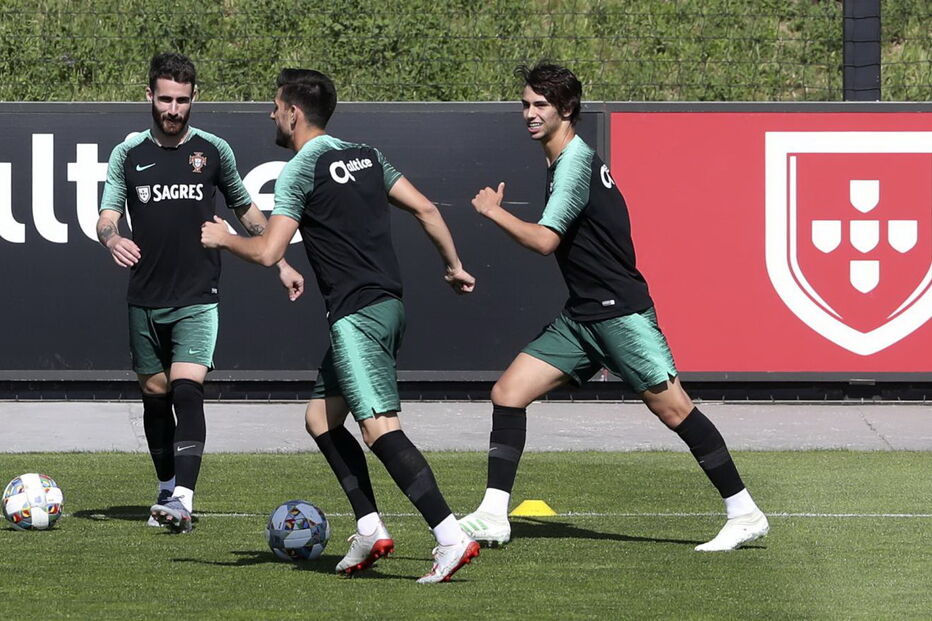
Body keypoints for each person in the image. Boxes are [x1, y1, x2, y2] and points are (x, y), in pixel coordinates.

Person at [460, 62, 768, 552]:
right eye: (525, 104)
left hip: (619, 313)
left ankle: (744, 512)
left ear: (567, 110)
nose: (530, 114)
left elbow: (545, 241)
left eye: (541, 105)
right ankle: (494, 514)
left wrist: (494, 213)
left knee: (675, 410)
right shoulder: (565, 160)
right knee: (509, 392)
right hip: (582, 316)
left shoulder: (575, 163)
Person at [200, 68, 480, 582]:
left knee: (379, 429)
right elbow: (426, 208)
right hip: (388, 307)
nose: (271, 113)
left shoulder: (299, 171)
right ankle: (371, 528)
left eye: (275, 105)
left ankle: (449, 535)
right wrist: (452, 265)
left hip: (356, 317)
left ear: (294, 113)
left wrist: (222, 240)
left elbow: (267, 251)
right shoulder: (368, 155)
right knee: (320, 419)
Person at [96, 52, 304, 534]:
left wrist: (281, 263)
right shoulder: (128, 154)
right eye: (165, 99)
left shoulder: (214, 151)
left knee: (188, 390)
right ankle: (167, 487)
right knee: (154, 394)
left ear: (194, 99)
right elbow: (107, 215)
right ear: (149, 96)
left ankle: (184, 499)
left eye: (182, 101)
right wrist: (113, 237)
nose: (173, 109)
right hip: (144, 297)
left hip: (197, 295)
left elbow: (249, 213)